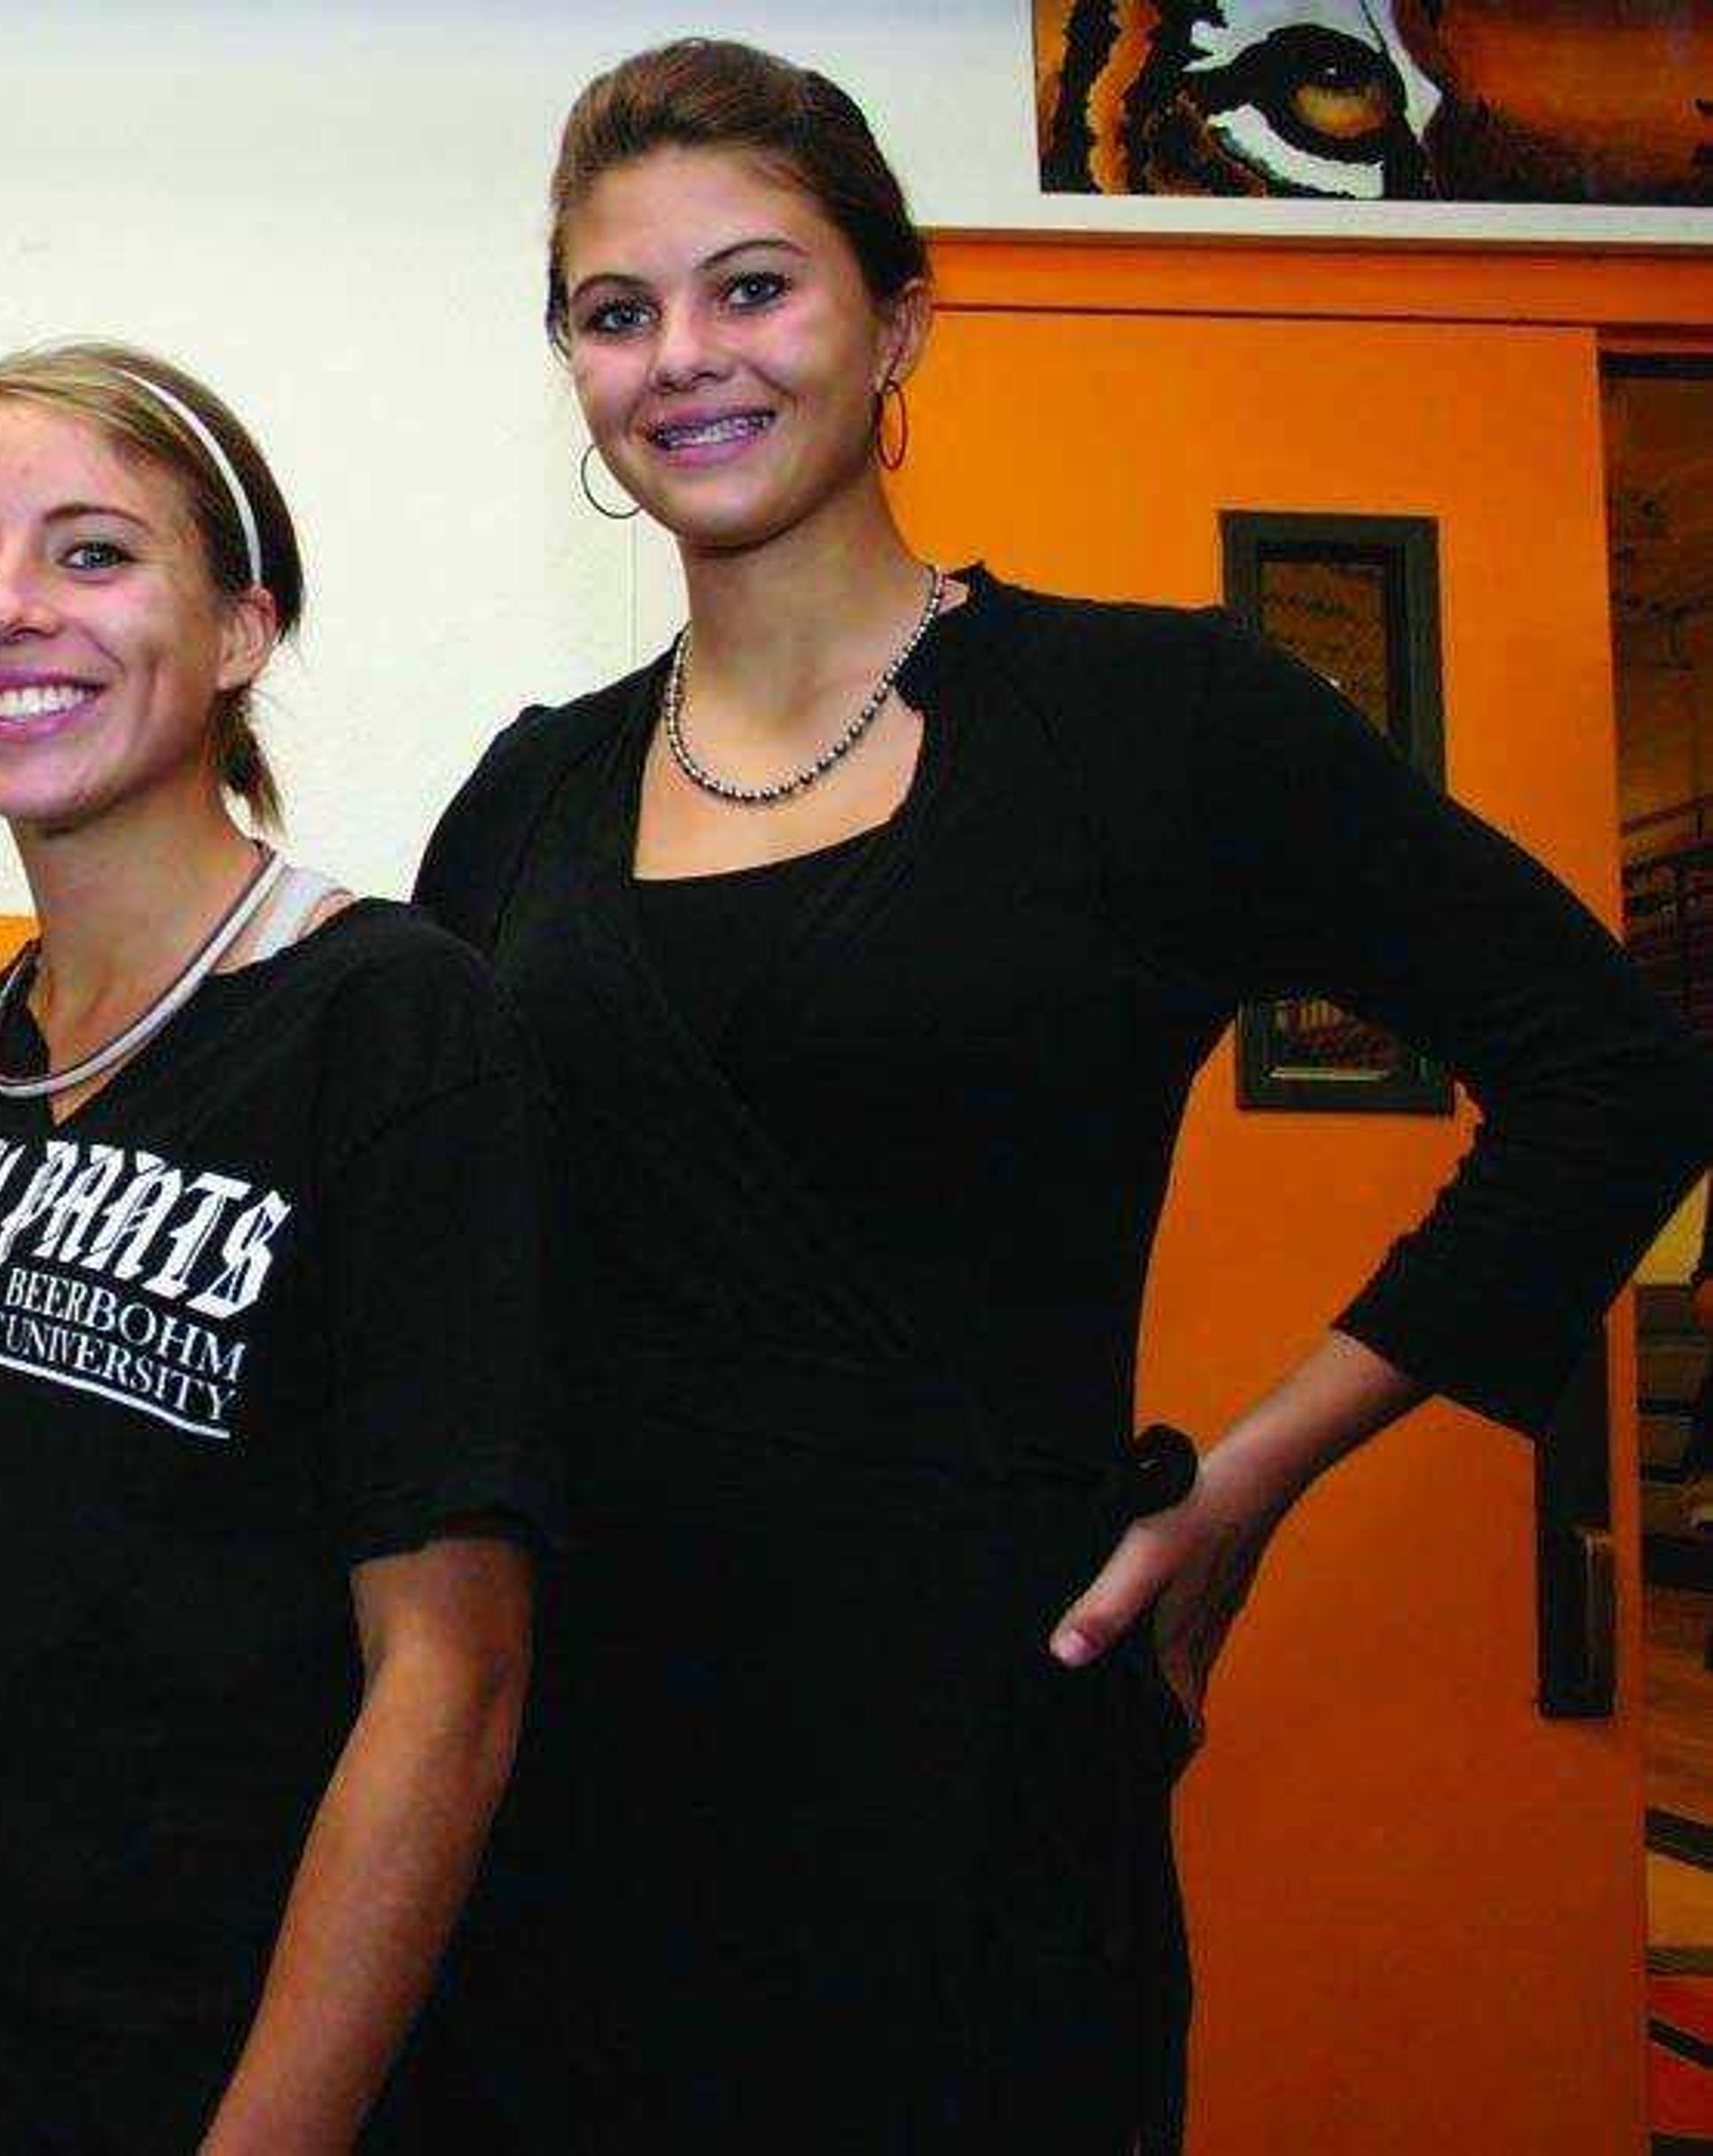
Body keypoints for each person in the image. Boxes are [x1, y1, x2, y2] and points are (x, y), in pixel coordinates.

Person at [410, 39, 1713, 2149]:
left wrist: (1248, 1481)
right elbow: (427, 1273)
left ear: (899, 319)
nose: (685, 357)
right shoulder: (525, 799)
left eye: (756, 287)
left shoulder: (1147, 722)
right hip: (566, 1799)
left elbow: (1613, 1078)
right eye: (617, 311)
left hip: (974, 1790)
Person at [0, 342, 550, 2152]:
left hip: (163, 2067)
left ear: (244, 626)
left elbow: (453, 1677)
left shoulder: (391, 1022)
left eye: (92, 553)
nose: (9, 610)